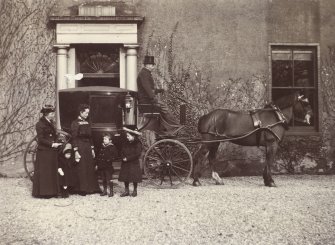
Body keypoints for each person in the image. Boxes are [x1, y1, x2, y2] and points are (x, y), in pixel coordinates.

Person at [137, 55, 183, 135]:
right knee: (164, 107)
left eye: (153, 65)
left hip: (146, 100)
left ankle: (168, 127)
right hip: (146, 101)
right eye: (152, 65)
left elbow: (149, 89)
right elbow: (147, 88)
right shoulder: (144, 74)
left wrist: (159, 90)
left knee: (162, 106)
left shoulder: (145, 73)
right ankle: (174, 127)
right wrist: (153, 98)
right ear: (146, 65)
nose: (153, 66)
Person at [32, 105, 62, 198]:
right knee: (45, 172)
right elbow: (41, 139)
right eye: (52, 113)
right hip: (44, 151)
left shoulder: (51, 122)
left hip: (51, 151)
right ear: (46, 114)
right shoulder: (39, 124)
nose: (53, 115)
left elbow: (53, 135)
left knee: (51, 171)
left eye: (53, 113)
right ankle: (44, 193)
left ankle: (52, 191)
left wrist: (57, 141)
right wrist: (52, 144)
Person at [71, 104, 100, 196]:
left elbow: (90, 137)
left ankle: (92, 188)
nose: (87, 114)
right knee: (82, 167)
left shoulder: (87, 122)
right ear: (81, 112)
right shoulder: (75, 123)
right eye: (86, 113)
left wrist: (92, 149)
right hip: (80, 146)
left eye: (88, 113)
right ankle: (82, 189)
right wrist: (75, 151)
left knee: (89, 166)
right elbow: (74, 138)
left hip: (87, 146)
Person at [118, 127, 143, 197]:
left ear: (133, 136)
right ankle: (126, 191)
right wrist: (123, 157)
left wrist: (128, 158)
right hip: (125, 162)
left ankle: (135, 190)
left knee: (134, 177)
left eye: (128, 136)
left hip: (133, 162)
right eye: (127, 136)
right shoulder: (126, 142)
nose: (127, 137)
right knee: (125, 176)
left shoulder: (138, 143)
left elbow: (137, 154)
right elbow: (121, 151)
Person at [96, 133, 118, 197]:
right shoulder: (102, 147)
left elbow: (115, 156)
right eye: (103, 139)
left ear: (110, 140)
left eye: (105, 139)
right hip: (102, 166)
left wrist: (109, 159)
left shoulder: (112, 147)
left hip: (108, 166)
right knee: (103, 179)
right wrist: (98, 164)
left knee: (109, 179)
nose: (104, 140)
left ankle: (111, 192)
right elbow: (99, 156)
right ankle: (105, 191)